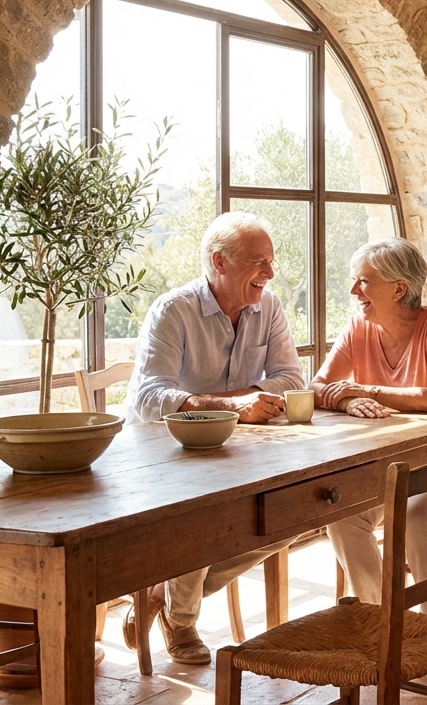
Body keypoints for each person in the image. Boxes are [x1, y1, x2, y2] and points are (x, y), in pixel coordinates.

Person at [122, 211, 304, 665]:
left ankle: (161, 589)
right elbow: (149, 398)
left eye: (271, 260)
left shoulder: (270, 306)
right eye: (258, 261)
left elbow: (291, 379)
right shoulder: (173, 309)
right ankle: (180, 620)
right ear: (219, 262)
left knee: (294, 513)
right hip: (162, 455)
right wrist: (232, 405)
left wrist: (236, 403)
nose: (270, 272)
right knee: (204, 516)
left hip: (235, 451)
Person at [310, 237, 427, 617]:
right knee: (343, 516)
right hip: (388, 464)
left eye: (363, 281)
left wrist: (365, 389)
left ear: (399, 289)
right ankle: (384, 621)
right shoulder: (356, 329)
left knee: (417, 516)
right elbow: (316, 387)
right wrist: (347, 399)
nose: (353, 291)